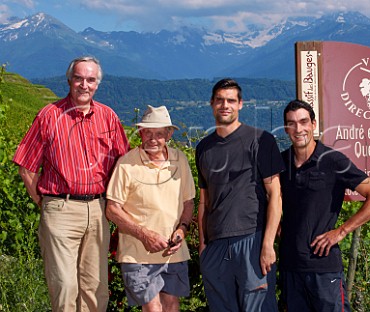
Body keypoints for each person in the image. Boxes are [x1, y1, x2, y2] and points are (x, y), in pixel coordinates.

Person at [13, 56, 130, 311]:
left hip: (99, 210)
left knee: (95, 287)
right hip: (60, 210)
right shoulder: (49, 116)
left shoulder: (108, 118)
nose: (84, 85)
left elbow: (124, 165)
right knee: (65, 286)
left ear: (97, 84)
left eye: (90, 79)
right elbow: (26, 166)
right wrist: (45, 203)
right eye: (79, 78)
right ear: (69, 81)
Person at [278, 99, 370, 312]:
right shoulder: (280, 163)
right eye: (292, 123)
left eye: (303, 122)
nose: (298, 129)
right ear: (285, 128)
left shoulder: (333, 160)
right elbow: (269, 202)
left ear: (313, 124)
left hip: (324, 267)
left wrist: (341, 231)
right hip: (290, 266)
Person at [195, 78, 284, 311]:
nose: (225, 105)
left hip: (251, 239)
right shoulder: (203, 148)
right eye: (220, 100)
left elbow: (275, 195)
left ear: (240, 104)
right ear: (212, 104)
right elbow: (204, 200)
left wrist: (267, 244)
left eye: (231, 101)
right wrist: (203, 248)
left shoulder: (261, 140)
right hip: (215, 246)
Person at [106, 105, 196, 311]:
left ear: (169, 134)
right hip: (137, 254)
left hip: (173, 253)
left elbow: (188, 202)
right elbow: (112, 209)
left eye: (159, 133)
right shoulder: (126, 164)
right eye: (148, 132)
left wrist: (182, 229)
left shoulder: (179, 159)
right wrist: (144, 234)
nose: (152, 139)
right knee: (153, 308)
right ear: (141, 133)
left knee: (172, 306)